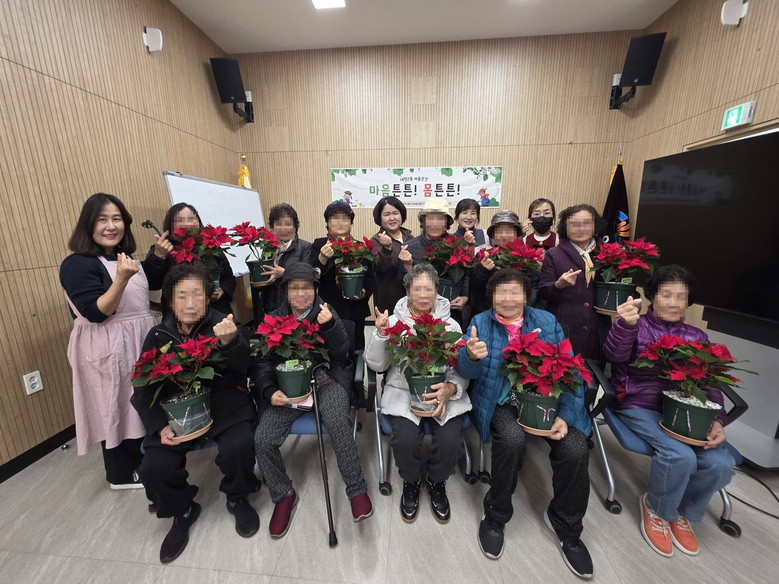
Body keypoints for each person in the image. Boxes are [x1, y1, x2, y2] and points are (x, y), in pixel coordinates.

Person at [456, 269, 593, 578]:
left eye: (515, 292)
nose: (508, 298)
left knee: (574, 448)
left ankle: (566, 526)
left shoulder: (547, 322)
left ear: (526, 296)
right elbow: (466, 373)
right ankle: (496, 516)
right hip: (501, 400)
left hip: (548, 400)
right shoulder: (480, 323)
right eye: (501, 292)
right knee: (511, 439)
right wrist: (471, 356)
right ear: (491, 296)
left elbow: (571, 373)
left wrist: (566, 416)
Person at [602, 264, 735, 558]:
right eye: (666, 295)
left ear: (688, 301)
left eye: (681, 296)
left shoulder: (697, 337)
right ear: (652, 296)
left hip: (685, 409)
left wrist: (717, 419)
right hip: (638, 403)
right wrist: (624, 325)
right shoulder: (636, 325)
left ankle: (681, 512)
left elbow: (708, 383)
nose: (673, 303)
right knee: (680, 455)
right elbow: (613, 355)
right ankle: (658, 508)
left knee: (721, 463)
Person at [131, 263, 260, 564]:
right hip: (176, 414)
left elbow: (246, 367)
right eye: (182, 296)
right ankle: (183, 510)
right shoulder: (158, 335)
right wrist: (159, 426)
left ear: (208, 297)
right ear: (170, 300)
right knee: (153, 467)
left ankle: (237, 496)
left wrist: (231, 342)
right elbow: (143, 388)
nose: (190, 303)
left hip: (225, 405)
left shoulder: (224, 323)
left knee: (240, 445)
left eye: (197, 295)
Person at [253, 263, 372, 538]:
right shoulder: (273, 318)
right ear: (286, 291)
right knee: (263, 438)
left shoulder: (326, 312)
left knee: (338, 422)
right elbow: (262, 362)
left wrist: (329, 325)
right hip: (288, 387)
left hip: (325, 379)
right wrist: (269, 390)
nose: (301, 293)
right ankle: (283, 494)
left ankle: (356, 490)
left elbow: (342, 353)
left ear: (315, 291)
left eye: (306, 288)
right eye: (295, 288)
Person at [60, 193, 157, 489]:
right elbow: (97, 312)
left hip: (137, 340)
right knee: (114, 403)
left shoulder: (123, 258)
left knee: (138, 403)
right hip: (107, 345)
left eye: (117, 219)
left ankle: (147, 461)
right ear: (88, 224)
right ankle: (121, 475)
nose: (111, 226)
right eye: (102, 219)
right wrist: (121, 280)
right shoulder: (76, 264)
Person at [364, 263, 471, 524]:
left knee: (450, 442)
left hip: (441, 391)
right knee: (405, 440)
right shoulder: (394, 322)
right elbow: (376, 365)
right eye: (417, 289)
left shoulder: (451, 326)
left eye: (428, 289)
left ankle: (436, 482)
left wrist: (451, 388)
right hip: (402, 390)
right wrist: (381, 334)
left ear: (437, 291)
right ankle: (411, 482)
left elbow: (460, 368)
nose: (423, 295)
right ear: (408, 292)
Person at [538, 203, 609, 360]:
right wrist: (558, 285)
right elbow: (543, 292)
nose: (581, 228)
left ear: (595, 227)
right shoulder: (554, 254)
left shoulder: (609, 253)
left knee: (594, 372)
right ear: (565, 228)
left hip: (597, 329)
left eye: (586, 223)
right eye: (574, 224)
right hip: (565, 329)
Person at [144, 203, 236, 315]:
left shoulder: (210, 246)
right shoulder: (163, 248)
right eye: (180, 220)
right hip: (179, 316)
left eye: (191, 219)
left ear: (198, 221)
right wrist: (158, 257)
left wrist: (222, 291)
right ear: (170, 225)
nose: (187, 224)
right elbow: (152, 284)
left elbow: (228, 278)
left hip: (216, 312)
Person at [311, 201, 374, 350]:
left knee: (356, 349)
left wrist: (363, 293)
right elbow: (311, 276)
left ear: (351, 223)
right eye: (334, 218)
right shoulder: (319, 245)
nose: (340, 222)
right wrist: (322, 258)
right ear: (327, 222)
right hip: (328, 307)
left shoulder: (360, 247)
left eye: (345, 218)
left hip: (355, 308)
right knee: (329, 348)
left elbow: (370, 278)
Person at [400, 198, 469, 314]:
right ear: (423, 221)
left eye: (440, 218)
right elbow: (402, 284)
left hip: (452, 309)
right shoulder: (409, 247)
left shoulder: (458, 243)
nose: (435, 224)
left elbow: (466, 274)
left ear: (447, 223)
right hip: (419, 310)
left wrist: (465, 297)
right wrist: (407, 266)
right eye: (430, 218)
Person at [469, 210, 534, 317]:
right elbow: (474, 289)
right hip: (487, 315)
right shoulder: (484, 255)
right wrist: (483, 271)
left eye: (508, 231)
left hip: (520, 315)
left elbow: (534, 287)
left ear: (517, 234)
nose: (504, 235)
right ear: (493, 235)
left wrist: (523, 308)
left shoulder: (526, 257)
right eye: (499, 231)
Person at [253, 203, 313, 316]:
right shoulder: (267, 247)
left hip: (294, 307)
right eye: (278, 224)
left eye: (288, 224)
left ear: (295, 227)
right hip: (269, 304)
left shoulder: (305, 247)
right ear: (272, 227)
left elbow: (308, 277)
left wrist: (285, 273)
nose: (283, 228)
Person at [371, 196, 414, 313]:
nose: (392, 218)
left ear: (402, 215)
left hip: (412, 299)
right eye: (386, 214)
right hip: (388, 301)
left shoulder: (410, 237)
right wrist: (386, 249)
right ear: (379, 218)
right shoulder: (375, 240)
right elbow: (380, 268)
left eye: (395, 213)